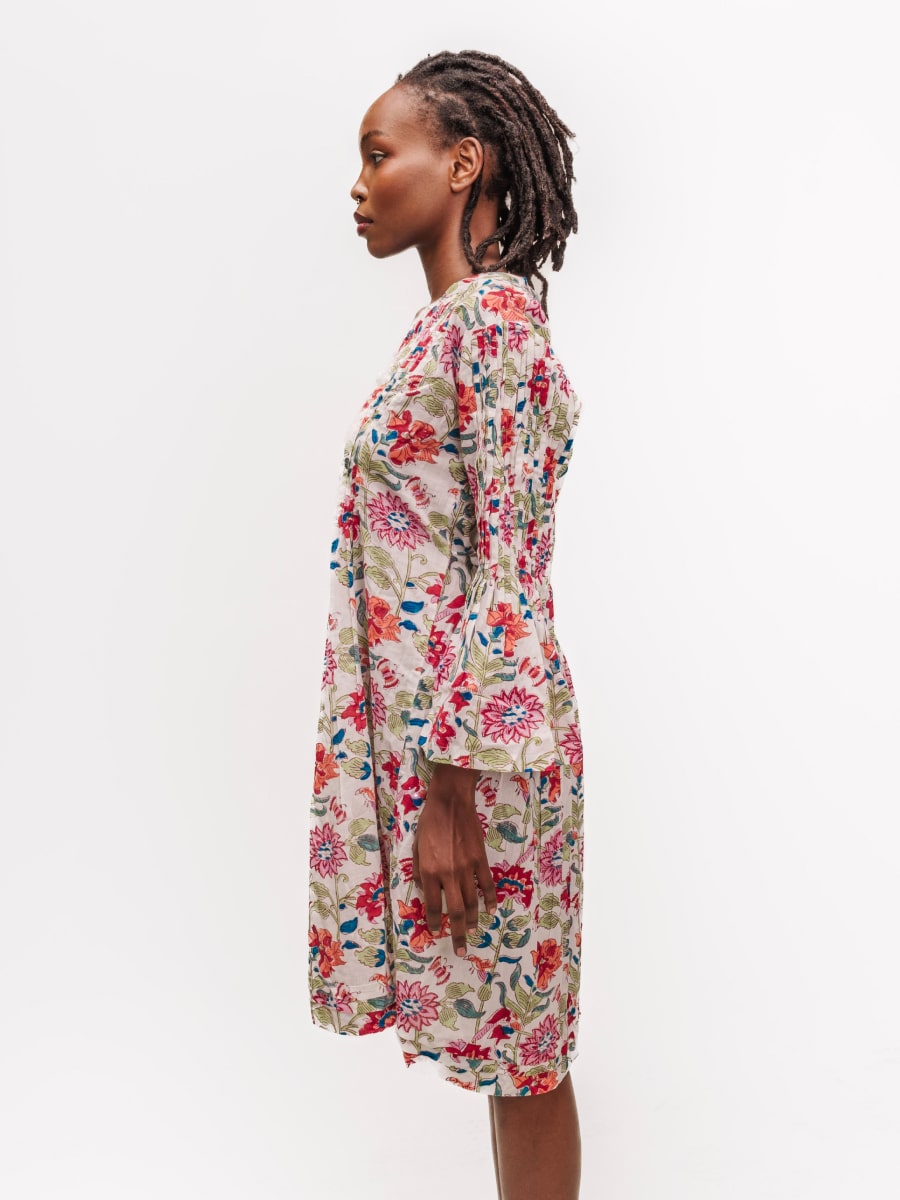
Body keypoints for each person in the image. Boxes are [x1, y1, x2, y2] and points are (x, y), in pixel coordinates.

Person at [307, 49, 585, 1200]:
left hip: (479, 760)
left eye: (381, 154)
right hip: (450, 754)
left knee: (526, 1054)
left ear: (463, 163)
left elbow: (510, 570)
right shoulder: (450, 330)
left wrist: (453, 794)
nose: (360, 183)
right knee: (507, 1047)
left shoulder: (495, 324)